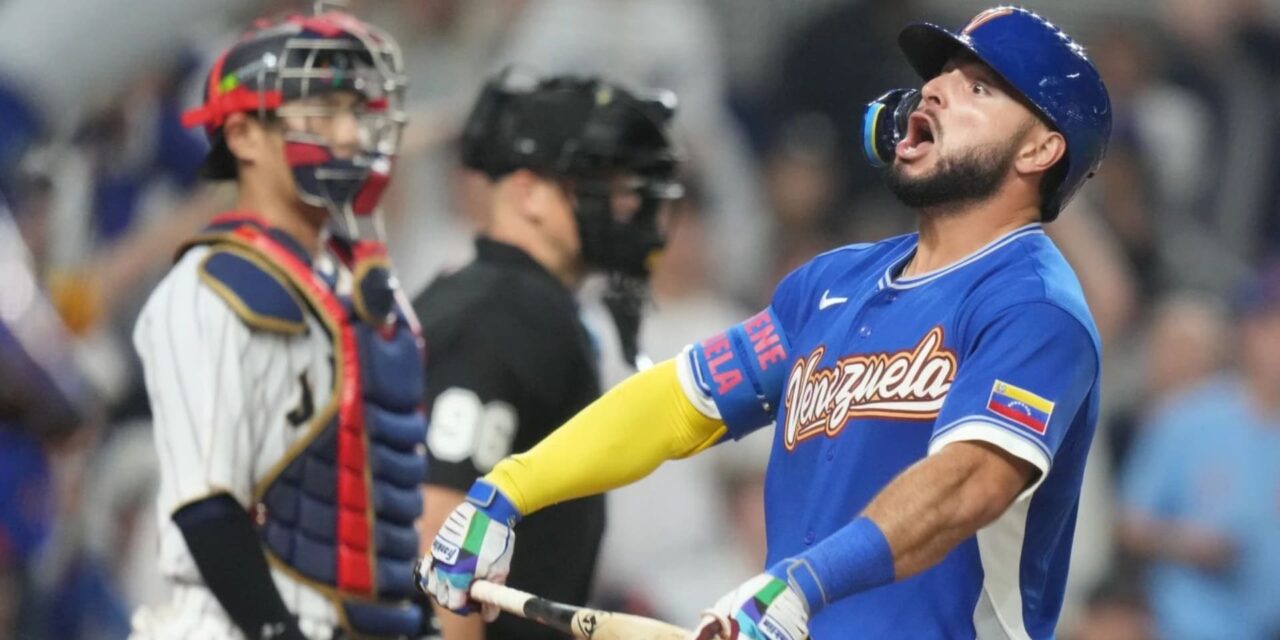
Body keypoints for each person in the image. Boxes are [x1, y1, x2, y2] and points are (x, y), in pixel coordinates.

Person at [421, 6, 1110, 639]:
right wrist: (506, 490)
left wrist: (805, 582)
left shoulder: (1034, 305)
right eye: (940, 77)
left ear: (1038, 152)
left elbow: (970, 482)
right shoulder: (831, 282)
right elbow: (677, 402)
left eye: (980, 88)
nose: (932, 91)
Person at [130, 8, 428, 639]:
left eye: (355, 111)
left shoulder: (360, 279)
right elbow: (206, 506)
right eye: (320, 114)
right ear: (241, 136)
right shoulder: (208, 289)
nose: (349, 135)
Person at [413, 70, 682, 639]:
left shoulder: (511, 299)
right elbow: (437, 531)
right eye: (601, 184)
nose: (628, 204)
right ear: (528, 192)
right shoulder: (501, 314)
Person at [1118, 265, 1280, 639]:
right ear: (1250, 332)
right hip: (1186, 624)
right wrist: (1184, 543)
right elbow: (1129, 523)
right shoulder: (1186, 417)